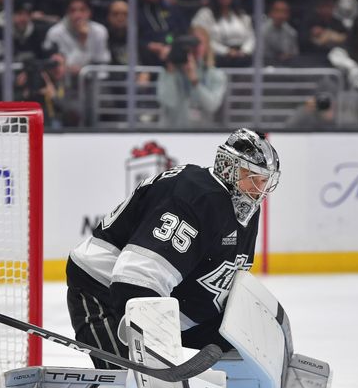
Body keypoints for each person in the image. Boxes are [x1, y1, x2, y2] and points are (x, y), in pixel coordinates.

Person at [65, 128, 279, 369]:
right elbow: (136, 280)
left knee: (247, 341)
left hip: (169, 302)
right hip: (103, 290)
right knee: (131, 381)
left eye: (264, 180)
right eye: (251, 176)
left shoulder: (245, 208)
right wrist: (156, 356)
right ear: (228, 167)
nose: (258, 189)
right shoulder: (197, 197)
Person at [156, 26, 226, 128]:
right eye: (191, 43)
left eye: (199, 43)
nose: (195, 48)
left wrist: (195, 82)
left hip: (201, 136)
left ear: (207, 46)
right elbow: (168, 102)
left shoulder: (216, 74)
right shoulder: (168, 71)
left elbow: (212, 106)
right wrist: (171, 69)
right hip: (171, 133)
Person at [191, 0, 255, 68]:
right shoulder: (204, 15)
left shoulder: (241, 15)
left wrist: (244, 51)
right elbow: (203, 40)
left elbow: (251, 37)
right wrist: (226, 51)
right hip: (216, 59)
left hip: (242, 58)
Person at [42, 0, 110, 77]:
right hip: (64, 82)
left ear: (90, 12)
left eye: (82, 10)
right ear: (67, 12)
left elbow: (102, 65)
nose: (78, 15)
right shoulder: (55, 33)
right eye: (73, 10)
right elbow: (61, 68)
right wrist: (82, 40)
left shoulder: (100, 31)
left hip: (94, 83)